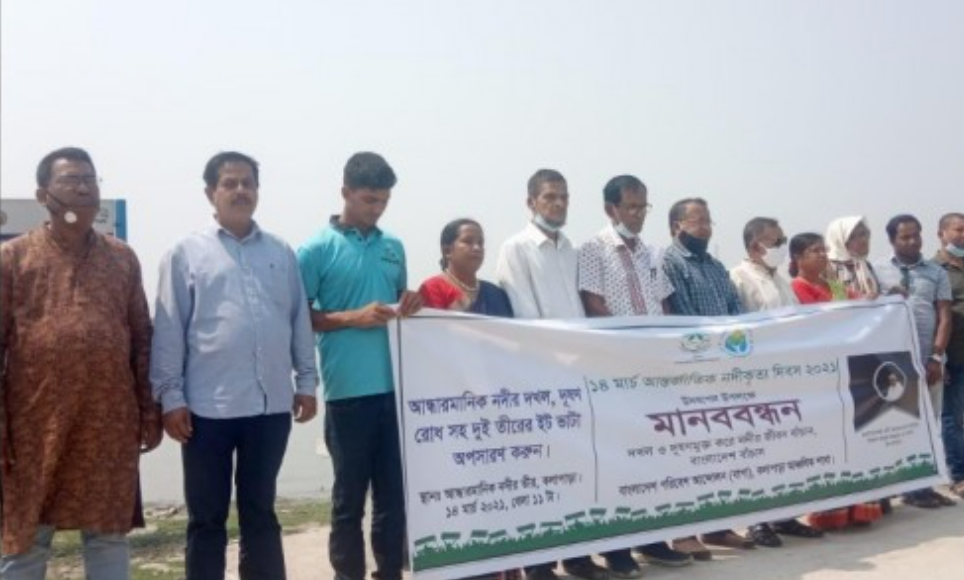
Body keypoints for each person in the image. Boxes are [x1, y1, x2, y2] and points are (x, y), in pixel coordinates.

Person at [151, 151, 319, 580]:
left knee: (260, 512)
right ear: (211, 192)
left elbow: (298, 320)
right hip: (207, 411)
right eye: (230, 183)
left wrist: (306, 381)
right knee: (207, 519)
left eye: (248, 183)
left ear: (258, 190)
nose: (240, 190)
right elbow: (169, 330)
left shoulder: (281, 252)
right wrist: (171, 398)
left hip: (270, 406)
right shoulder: (185, 253)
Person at [0, 147, 162, 579]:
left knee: (107, 533)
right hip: (34, 426)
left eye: (90, 179)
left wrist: (149, 411)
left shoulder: (121, 258)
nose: (84, 188)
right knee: (27, 537)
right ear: (43, 195)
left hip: (107, 423)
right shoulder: (13, 258)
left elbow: (142, 337)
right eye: (71, 180)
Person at [297, 152, 422, 580]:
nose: (377, 208)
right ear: (345, 192)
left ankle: (389, 572)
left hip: (395, 389)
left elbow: (401, 303)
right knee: (349, 500)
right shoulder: (315, 249)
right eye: (369, 199)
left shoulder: (394, 247)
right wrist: (353, 316)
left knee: (393, 497)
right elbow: (298, 318)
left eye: (384, 200)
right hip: (348, 392)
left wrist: (411, 302)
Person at [497, 170, 607, 580]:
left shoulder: (570, 249)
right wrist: (559, 359)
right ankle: (539, 564)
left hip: (577, 374)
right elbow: (524, 315)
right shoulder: (516, 248)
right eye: (549, 197)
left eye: (564, 197)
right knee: (541, 473)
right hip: (540, 374)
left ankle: (577, 557)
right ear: (531, 202)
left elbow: (578, 310)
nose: (558, 204)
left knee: (577, 470)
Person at [577, 175, 690, 574]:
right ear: (610, 209)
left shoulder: (651, 252)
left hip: (654, 368)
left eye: (644, 207)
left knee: (652, 456)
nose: (639, 214)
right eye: (631, 207)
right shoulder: (592, 249)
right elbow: (593, 304)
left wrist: (665, 347)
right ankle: (617, 547)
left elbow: (665, 304)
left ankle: (653, 538)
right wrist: (629, 346)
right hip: (616, 369)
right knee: (619, 460)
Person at [661, 198, 752, 559]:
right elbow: (682, 316)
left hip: (725, 369)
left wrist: (733, 348)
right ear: (676, 227)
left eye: (708, 221)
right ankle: (684, 533)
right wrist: (712, 350)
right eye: (697, 221)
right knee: (688, 457)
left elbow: (736, 308)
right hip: (691, 371)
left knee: (721, 454)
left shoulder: (715, 266)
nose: (705, 228)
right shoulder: (669, 262)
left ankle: (718, 526)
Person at [729, 218, 824, 548]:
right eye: (776, 241)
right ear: (756, 246)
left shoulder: (780, 280)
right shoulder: (738, 277)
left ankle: (784, 515)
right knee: (756, 451)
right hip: (755, 377)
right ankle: (757, 521)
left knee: (784, 448)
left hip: (787, 376)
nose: (782, 246)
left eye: (782, 240)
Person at [789, 233, 884, 530]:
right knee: (828, 443)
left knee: (852, 439)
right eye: (814, 250)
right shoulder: (796, 288)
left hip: (848, 371)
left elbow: (860, 307)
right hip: (819, 374)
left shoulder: (835, 286)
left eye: (824, 250)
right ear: (798, 258)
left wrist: (880, 299)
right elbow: (817, 322)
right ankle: (830, 512)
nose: (822, 255)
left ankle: (859, 509)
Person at [874, 214, 953, 508]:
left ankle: (924, 487)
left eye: (916, 235)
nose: (912, 241)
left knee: (929, 425)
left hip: (927, 360)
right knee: (898, 425)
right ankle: (902, 487)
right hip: (892, 363)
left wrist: (936, 356)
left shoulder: (936, 271)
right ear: (892, 240)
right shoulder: (877, 270)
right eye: (905, 237)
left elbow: (944, 316)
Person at [419, 218, 513, 317]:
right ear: (447, 251)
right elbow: (431, 325)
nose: (477, 248)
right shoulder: (432, 289)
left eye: (480, 243)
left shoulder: (496, 294)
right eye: (468, 241)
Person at [935, 212, 964, 498]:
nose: (963, 235)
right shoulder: (933, 269)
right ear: (942, 234)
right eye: (959, 230)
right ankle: (958, 474)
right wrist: (938, 355)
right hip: (953, 354)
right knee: (953, 417)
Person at [825, 216, 880, 299]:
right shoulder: (829, 268)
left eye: (863, 234)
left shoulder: (864, 265)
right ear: (839, 240)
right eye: (852, 237)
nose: (863, 240)